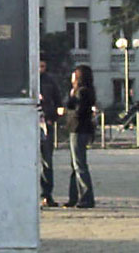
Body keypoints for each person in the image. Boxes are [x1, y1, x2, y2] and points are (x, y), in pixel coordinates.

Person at [64, 64, 96, 208]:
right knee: (75, 164)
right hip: (80, 129)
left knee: (79, 164)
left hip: (78, 129)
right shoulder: (85, 91)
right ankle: (74, 197)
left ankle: (86, 197)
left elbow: (77, 111)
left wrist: (66, 112)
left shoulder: (81, 92)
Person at [38, 59, 63, 207]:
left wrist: (53, 117)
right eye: (39, 65)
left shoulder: (49, 81)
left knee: (47, 160)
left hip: (46, 122)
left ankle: (46, 194)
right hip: (29, 123)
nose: (41, 69)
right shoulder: (26, 78)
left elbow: (58, 101)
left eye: (43, 66)